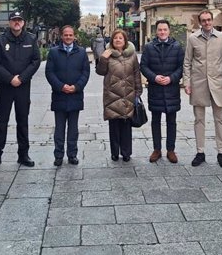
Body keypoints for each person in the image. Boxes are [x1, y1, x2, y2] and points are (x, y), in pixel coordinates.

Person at [0, 10, 41, 168]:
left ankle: (23, 154)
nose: (17, 22)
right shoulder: (1, 40)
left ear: (23, 23)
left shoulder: (31, 39)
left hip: (23, 87)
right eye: (14, 20)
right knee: (1, 120)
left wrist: (22, 78)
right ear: (9, 23)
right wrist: (10, 78)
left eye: (19, 20)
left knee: (22, 120)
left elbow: (35, 61)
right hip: (6, 87)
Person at [183, 9, 222, 168]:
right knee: (199, 119)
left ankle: (221, 152)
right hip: (198, 83)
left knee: (220, 119)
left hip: (218, 83)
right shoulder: (192, 39)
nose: (206, 23)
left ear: (212, 20)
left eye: (209, 20)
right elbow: (187, 62)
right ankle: (200, 152)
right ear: (199, 22)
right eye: (203, 20)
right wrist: (187, 82)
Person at [45, 25, 90, 166]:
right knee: (59, 128)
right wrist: (61, 86)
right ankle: (58, 155)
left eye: (71, 35)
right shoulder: (53, 52)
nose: (68, 37)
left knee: (73, 128)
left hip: (75, 95)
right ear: (62, 36)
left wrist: (76, 87)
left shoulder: (82, 53)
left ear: (74, 36)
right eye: (66, 35)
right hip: (59, 95)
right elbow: (49, 73)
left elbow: (86, 73)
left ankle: (72, 155)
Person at [140, 19, 184, 163]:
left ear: (169, 31)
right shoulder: (149, 47)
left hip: (172, 89)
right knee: (156, 121)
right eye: (160, 30)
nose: (162, 32)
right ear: (156, 31)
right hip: (156, 89)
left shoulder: (177, 47)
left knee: (172, 121)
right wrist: (154, 77)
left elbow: (182, 67)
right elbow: (144, 66)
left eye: (165, 29)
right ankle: (157, 149)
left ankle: (170, 150)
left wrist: (172, 78)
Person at [96, 29, 141, 162]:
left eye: (120, 38)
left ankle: (126, 152)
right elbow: (100, 72)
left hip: (128, 94)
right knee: (114, 125)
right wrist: (103, 59)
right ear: (112, 41)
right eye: (115, 38)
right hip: (112, 95)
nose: (118, 40)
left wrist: (138, 91)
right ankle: (115, 152)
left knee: (126, 125)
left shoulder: (132, 55)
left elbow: (136, 73)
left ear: (125, 40)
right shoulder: (107, 54)